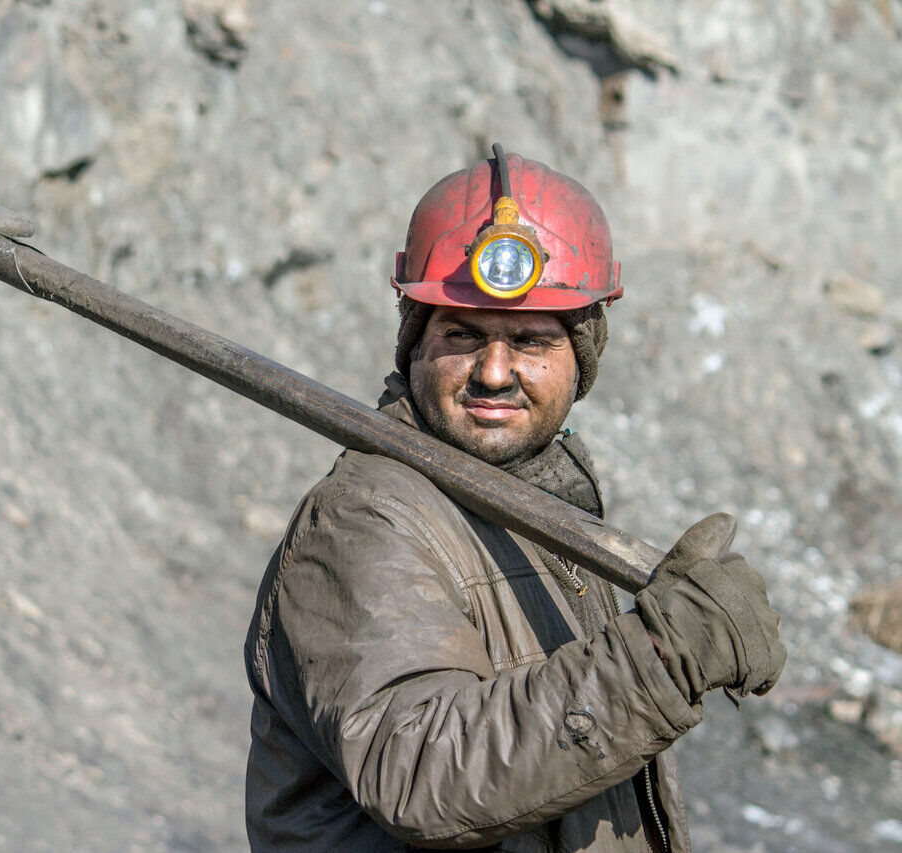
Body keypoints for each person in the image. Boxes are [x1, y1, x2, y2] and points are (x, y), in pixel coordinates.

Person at [242, 147, 785, 852]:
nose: (494, 372)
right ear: (415, 343)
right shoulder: (365, 518)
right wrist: (659, 655)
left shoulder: (533, 511)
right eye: (462, 335)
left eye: (530, 340)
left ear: (582, 358)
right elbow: (426, 770)